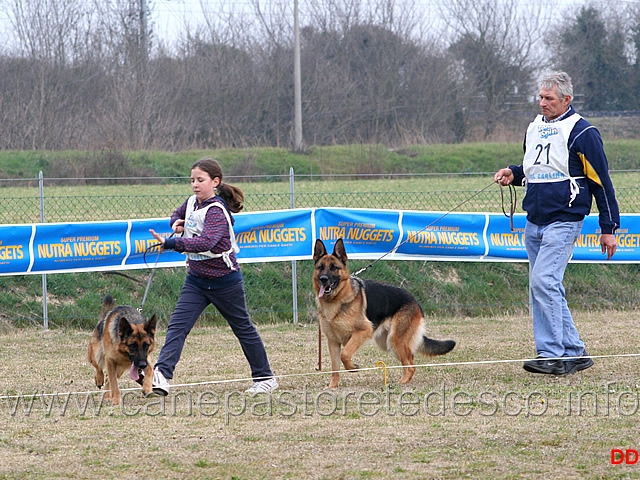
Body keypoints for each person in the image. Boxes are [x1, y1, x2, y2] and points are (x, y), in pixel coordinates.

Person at [494, 71, 620, 375]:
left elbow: (600, 182)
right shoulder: (533, 128)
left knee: (544, 282)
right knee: (544, 286)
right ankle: (575, 351)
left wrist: (608, 228)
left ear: (567, 99)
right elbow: (537, 167)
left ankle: (551, 354)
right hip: (534, 220)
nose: (542, 103)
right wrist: (515, 173)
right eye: (540, 97)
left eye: (549, 98)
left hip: (564, 219)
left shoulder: (582, 132)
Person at [149, 157, 279, 394]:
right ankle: (161, 376)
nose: (195, 185)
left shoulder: (217, 211)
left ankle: (265, 378)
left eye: (200, 180)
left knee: (243, 328)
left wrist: (171, 242)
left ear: (215, 182)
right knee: (177, 326)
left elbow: (206, 242)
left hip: (225, 282)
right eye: (192, 180)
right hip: (196, 281)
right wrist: (176, 222)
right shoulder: (191, 203)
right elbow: (175, 214)